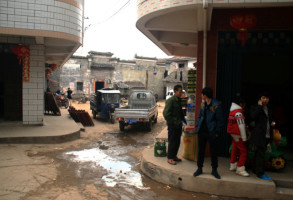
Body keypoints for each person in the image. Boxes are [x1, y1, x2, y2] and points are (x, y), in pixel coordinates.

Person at [193, 87, 223, 179]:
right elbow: (199, 115)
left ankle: (214, 170)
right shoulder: (203, 104)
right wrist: (197, 126)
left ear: (205, 95)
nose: (201, 96)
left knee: (213, 151)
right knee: (200, 151)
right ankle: (199, 168)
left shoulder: (216, 105)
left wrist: (217, 131)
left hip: (212, 131)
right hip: (202, 131)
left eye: (202, 94)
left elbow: (220, 120)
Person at [250, 92, 275, 181]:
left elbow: (270, 119)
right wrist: (259, 106)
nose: (265, 99)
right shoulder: (256, 107)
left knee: (258, 153)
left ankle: (255, 169)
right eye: (263, 97)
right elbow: (253, 116)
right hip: (259, 135)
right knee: (260, 154)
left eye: (267, 98)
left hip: (267, 134)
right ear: (260, 99)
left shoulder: (269, 108)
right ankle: (260, 173)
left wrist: (273, 122)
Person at [163, 85, 186, 165]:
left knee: (177, 141)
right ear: (175, 91)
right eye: (179, 91)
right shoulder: (171, 100)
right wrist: (172, 122)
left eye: (181, 91)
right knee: (172, 141)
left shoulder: (178, 100)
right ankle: (170, 157)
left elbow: (180, 113)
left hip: (178, 124)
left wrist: (183, 120)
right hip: (173, 125)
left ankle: (174, 155)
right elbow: (166, 114)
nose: (181, 92)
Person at [227, 96, 249, 177]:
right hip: (238, 134)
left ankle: (233, 164)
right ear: (241, 104)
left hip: (232, 133)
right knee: (244, 151)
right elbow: (241, 125)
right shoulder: (239, 112)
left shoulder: (232, 111)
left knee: (234, 148)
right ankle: (240, 168)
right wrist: (244, 137)